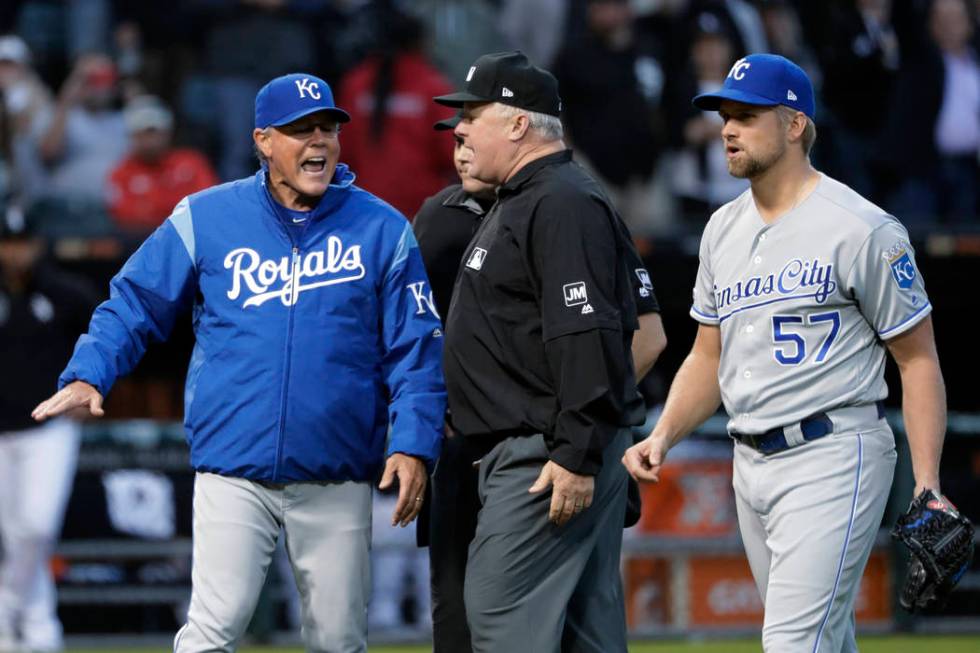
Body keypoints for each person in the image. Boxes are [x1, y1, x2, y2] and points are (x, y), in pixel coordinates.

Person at [30, 72, 446, 652]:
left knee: (339, 639)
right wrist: (87, 372)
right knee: (213, 628)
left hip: (337, 468)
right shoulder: (207, 217)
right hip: (233, 465)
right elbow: (134, 302)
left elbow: (417, 348)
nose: (319, 142)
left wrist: (412, 442)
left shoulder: (380, 228)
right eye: (301, 130)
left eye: (328, 128)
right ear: (263, 140)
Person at [623, 54, 947, 652]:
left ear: (794, 124)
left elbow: (918, 359)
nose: (727, 129)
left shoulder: (861, 227)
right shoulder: (722, 228)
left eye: (746, 115)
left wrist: (926, 482)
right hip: (750, 464)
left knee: (793, 644)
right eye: (725, 115)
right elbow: (705, 356)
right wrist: (663, 433)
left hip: (833, 452)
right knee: (825, 640)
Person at [434, 51, 647, 652]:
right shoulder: (527, 198)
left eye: (474, 113)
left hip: (544, 457)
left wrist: (579, 453)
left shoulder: (562, 201)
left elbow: (588, 334)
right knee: (586, 634)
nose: (461, 128)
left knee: (501, 622)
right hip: (542, 449)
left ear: (520, 123)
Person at [0, 209, 99, 653]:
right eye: (7, 242)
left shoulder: (66, 293)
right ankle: (39, 633)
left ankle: (5, 611)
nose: (15, 252)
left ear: (37, 244)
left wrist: (94, 384)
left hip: (50, 428)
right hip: (0, 430)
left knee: (36, 527)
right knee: (13, 533)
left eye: (22, 242)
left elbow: (105, 340)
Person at [107, 95, 219, 234]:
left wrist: (153, 206)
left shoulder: (191, 162)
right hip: (141, 243)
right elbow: (126, 216)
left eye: (154, 132)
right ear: (132, 137)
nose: (150, 140)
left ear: (167, 133)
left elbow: (209, 203)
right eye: (143, 134)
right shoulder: (121, 173)